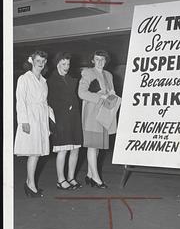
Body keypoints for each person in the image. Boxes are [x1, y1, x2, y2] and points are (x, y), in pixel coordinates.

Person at [78, 50, 118, 189]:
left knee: (98, 147)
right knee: (92, 145)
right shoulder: (88, 73)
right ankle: (96, 178)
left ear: (106, 61)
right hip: (92, 113)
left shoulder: (109, 75)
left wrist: (112, 96)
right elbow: (81, 93)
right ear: (92, 61)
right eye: (97, 59)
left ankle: (89, 174)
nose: (100, 62)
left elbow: (111, 92)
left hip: (104, 113)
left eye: (102, 59)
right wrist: (99, 97)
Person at [14, 50, 49, 198]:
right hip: (30, 117)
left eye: (43, 61)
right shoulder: (24, 78)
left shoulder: (43, 80)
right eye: (38, 61)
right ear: (32, 62)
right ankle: (31, 185)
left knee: (37, 153)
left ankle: (29, 183)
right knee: (34, 153)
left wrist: (47, 123)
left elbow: (45, 102)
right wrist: (23, 121)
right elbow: (20, 101)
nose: (40, 64)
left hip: (41, 118)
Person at [47, 52, 83, 190]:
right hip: (61, 119)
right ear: (57, 64)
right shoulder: (51, 80)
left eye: (68, 64)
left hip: (73, 118)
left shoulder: (70, 78)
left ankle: (71, 177)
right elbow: (50, 100)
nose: (66, 66)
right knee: (63, 150)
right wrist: (64, 106)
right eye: (63, 64)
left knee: (75, 149)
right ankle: (60, 180)